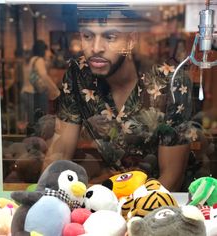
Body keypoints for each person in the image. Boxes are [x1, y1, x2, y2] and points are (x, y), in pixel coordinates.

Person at [44, 8, 196, 192]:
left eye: (110, 37)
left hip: (163, 202)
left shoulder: (171, 80)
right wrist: (45, 198)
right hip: (108, 194)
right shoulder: (79, 75)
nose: (96, 47)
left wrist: (130, 214)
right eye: (87, 36)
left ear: (131, 40)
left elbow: (172, 176)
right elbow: (59, 152)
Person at [20, 40, 60, 124]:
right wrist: (55, 90)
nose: (46, 52)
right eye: (45, 50)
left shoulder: (32, 60)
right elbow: (44, 76)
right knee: (39, 122)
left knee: (32, 122)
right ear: (42, 50)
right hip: (33, 94)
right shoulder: (39, 60)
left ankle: (32, 136)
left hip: (26, 92)